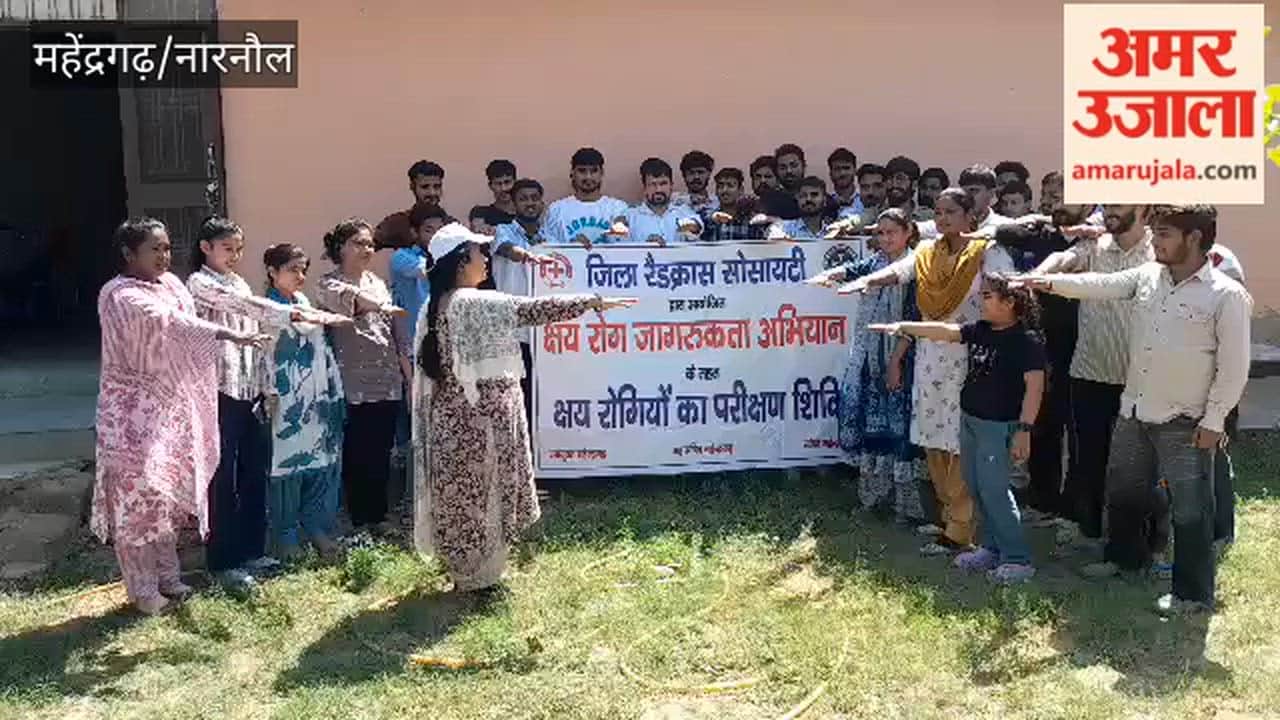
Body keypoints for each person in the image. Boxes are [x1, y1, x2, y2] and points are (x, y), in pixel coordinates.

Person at [1018, 204, 1251, 615]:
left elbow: (1235, 366)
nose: (1155, 242)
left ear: (1194, 238)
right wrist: (1042, 282)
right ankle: (1126, 560)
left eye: (1164, 235)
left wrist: (1215, 420)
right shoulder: (1147, 276)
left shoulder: (1225, 295)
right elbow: (1098, 285)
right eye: (1156, 233)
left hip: (1187, 419)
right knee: (1123, 491)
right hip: (1136, 410)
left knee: (1191, 507)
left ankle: (1192, 596)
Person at [410, 222, 637, 593]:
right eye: (479, 254)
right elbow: (532, 310)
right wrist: (592, 300)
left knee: (463, 497)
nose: (485, 260)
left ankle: (468, 575)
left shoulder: (435, 305)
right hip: (479, 423)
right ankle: (480, 580)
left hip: (454, 420)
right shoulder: (471, 302)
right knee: (483, 495)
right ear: (459, 262)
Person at [94, 218, 269, 615]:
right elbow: (172, 323)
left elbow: (183, 327)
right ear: (128, 253)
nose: (163, 256)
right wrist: (229, 335)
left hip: (168, 410)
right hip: (131, 417)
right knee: (137, 503)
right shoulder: (118, 294)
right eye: (154, 249)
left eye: (167, 248)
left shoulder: (172, 285)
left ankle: (169, 579)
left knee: (164, 498)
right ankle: (143, 592)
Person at [840, 188, 1015, 556]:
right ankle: (949, 518)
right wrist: (869, 280)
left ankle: (961, 530)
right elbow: (900, 270)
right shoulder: (928, 252)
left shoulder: (986, 252)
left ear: (970, 214)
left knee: (960, 442)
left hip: (972, 354)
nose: (942, 218)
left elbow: (1008, 295)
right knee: (933, 438)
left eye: (951, 211)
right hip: (931, 356)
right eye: (937, 212)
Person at [188, 217, 344, 593]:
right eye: (228, 248)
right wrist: (294, 314)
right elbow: (245, 307)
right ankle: (224, 562)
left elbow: (256, 339)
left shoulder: (239, 281)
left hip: (250, 389)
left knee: (254, 472)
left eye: (239, 249)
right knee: (222, 478)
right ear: (206, 247)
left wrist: (266, 387)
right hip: (219, 388)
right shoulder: (200, 282)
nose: (235, 256)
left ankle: (253, 551)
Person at [869, 273, 1046, 584]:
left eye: (988, 296)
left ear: (1010, 303)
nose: (980, 301)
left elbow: (1034, 389)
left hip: (998, 427)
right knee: (977, 487)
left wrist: (1024, 430)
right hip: (971, 421)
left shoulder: (1026, 342)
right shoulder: (981, 330)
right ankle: (991, 549)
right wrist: (906, 327)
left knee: (995, 491)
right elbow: (946, 331)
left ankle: (1018, 559)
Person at [1030, 205, 1152, 549]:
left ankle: (1132, 540)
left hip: (1138, 377)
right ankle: (1089, 531)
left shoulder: (1158, 251)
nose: (1110, 210)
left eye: (1118, 204)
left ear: (1142, 208)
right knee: (1088, 458)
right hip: (1090, 370)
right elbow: (1062, 259)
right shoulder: (1095, 246)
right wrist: (1039, 275)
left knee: (1133, 465)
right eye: (1107, 203)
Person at [806, 209, 929, 524]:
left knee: (900, 432)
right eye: (882, 233)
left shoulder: (916, 267)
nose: (886, 238)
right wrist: (826, 277)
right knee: (873, 430)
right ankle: (873, 501)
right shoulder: (875, 263)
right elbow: (850, 270)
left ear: (908, 233)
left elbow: (915, 320)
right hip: (869, 360)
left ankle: (908, 509)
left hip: (900, 360)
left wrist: (896, 361)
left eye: (892, 233)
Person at [315, 219, 410, 536]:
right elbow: (354, 303)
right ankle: (358, 521)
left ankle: (379, 517)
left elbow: (397, 335)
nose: (366, 249)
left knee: (381, 450)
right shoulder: (328, 284)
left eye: (370, 243)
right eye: (358, 243)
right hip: (351, 381)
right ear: (340, 247)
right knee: (356, 451)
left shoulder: (378, 281)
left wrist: (407, 376)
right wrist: (380, 305)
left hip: (386, 379)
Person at [262, 243, 348, 560]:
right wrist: (266, 391)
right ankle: (285, 536)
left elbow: (323, 351)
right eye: (292, 269)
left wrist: (333, 392)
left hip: (315, 399)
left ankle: (316, 528)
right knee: (286, 467)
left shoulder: (304, 302)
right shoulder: (265, 308)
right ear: (272, 272)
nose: (300, 276)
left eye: (303, 269)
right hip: (284, 402)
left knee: (319, 463)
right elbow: (262, 356)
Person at [492, 178, 558, 423]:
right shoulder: (503, 231)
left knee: (547, 396)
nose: (530, 204)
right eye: (523, 199)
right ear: (514, 204)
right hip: (515, 331)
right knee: (518, 397)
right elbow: (507, 249)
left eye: (534, 198)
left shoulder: (552, 234)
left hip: (548, 331)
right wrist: (528, 255)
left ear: (542, 202)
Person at [542, 147, 630, 248]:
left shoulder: (618, 208)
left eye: (593, 171)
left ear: (601, 173)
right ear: (572, 173)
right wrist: (571, 248)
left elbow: (626, 247)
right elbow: (549, 250)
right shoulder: (556, 209)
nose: (588, 177)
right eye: (582, 171)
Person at [390, 203, 449, 349]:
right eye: (429, 230)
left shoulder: (447, 258)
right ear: (414, 232)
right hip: (413, 344)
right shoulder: (401, 257)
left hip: (443, 340)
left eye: (440, 230)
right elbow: (427, 271)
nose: (437, 237)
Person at [618, 158, 703, 246]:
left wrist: (691, 227)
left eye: (663, 184)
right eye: (653, 184)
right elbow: (622, 250)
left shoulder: (684, 212)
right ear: (645, 188)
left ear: (671, 186)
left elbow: (696, 231)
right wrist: (645, 246)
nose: (658, 189)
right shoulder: (630, 217)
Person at [375, 160, 447, 250]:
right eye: (425, 187)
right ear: (412, 187)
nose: (432, 193)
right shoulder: (396, 223)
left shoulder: (451, 224)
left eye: (437, 187)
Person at [704, 168, 766, 242]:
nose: (724, 190)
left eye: (730, 186)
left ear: (741, 190)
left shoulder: (751, 220)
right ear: (716, 191)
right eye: (720, 186)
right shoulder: (709, 219)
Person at [766, 176, 833, 241]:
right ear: (797, 199)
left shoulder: (833, 232)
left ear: (824, 200)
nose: (808, 199)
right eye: (803, 195)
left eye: (814, 195)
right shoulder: (781, 229)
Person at [672, 150, 719, 216]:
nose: (696, 177)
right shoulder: (673, 201)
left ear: (709, 174)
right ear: (684, 175)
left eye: (700, 172)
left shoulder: (717, 203)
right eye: (691, 173)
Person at [827, 147, 862, 216]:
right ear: (830, 174)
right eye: (837, 169)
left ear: (855, 171)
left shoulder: (865, 200)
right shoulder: (825, 203)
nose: (842, 173)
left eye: (846, 168)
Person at [484, 159, 518, 225]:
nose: (503, 188)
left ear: (515, 182)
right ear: (490, 186)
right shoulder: (484, 215)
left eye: (507, 182)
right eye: (498, 184)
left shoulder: (525, 212)